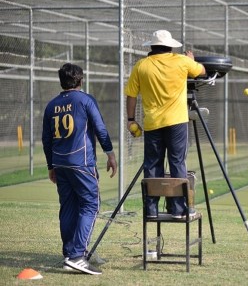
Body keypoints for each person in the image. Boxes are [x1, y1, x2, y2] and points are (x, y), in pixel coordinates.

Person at [42, 63, 117, 275]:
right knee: (91, 205)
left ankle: (69, 254)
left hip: (60, 164)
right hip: (82, 163)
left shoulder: (51, 106)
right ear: (80, 80)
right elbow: (100, 128)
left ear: (61, 81)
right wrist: (110, 154)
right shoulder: (85, 100)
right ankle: (77, 256)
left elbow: (46, 139)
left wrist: (51, 166)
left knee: (68, 207)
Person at [125, 30, 205, 219]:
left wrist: (130, 120)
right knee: (177, 163)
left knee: (152, 165)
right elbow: (202, 71)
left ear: (151, 47)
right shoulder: (181, 61)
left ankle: (151, 210)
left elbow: (131, 95)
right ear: (170, 46)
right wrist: (192, 60)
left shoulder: (141, 65)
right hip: (177, 122)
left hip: (152, 123)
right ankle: (178, 209)